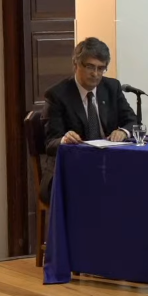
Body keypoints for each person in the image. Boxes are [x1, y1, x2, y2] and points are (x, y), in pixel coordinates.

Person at [41, 37, 137, 202]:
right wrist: (64, 139)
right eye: (90, 67)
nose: (95, 74)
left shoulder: (111, 87)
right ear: (76, 64)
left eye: (101, 68)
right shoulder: (57, 95)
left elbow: (133, 122)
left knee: (137, 185)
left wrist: (123, 131)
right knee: (99, 193)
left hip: (107, 166)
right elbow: (50, 143)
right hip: (71, 170)